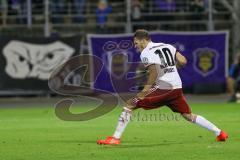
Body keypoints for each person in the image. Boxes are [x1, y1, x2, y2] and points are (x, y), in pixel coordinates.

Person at [97, 29, 228, 145]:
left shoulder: (146, 53)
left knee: (129, 104)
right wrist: (173, 69)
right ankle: (220, 133)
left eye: (136, 42)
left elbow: (153, 73)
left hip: (163, 88)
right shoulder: (167, 46)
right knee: (188, 115)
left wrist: (144, 91)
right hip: (176, 87)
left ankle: (115, 138)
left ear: (143, 40)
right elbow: (183, 60)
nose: (135, 46)